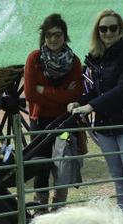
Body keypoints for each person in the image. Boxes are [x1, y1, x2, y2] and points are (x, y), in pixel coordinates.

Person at [70, 9, 123, 219]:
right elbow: (100, 88)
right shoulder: (99, 56)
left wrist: (93, 106)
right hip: (107, 127)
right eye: (103, 28)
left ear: (120, 29)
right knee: (119, 179)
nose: (108, 33)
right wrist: (82, 101)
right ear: (98, 31)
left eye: (112, 28)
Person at [23, 13, 84, 212]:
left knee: (63, 164)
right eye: (49, 35)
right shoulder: (34, 59)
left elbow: (76, 93)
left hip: (65, 122)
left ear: (64, 36)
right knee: (41, 165)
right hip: (40, 121)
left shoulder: (73, 61)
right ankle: (39, 208)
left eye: (57, 34)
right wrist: (62, 94)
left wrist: (45, 90)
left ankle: (58, 209)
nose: (53, 39)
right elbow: (30, 93)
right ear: (44, 37)